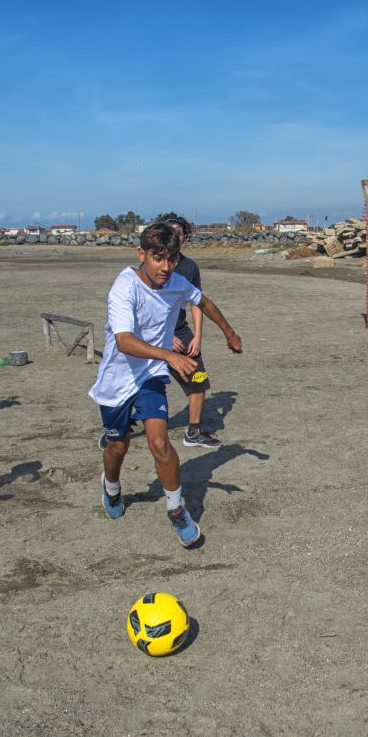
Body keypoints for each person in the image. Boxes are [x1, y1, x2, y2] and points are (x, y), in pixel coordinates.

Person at [89, 221, 243, 547]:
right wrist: (169, 356)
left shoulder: (177, 282)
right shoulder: (124, 286)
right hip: (117, 380)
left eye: (171, 259)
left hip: (151, 377)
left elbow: (205, 303)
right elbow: (124, 341)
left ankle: (175, 509)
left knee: (159, 443)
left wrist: (229, 333)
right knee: (118, 445)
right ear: (141, 254)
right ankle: (112, 487)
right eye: (158, 258)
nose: (165, 267)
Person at [160, 214, 223, 448]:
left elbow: (196, 302)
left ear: (185, 237)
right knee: (138, 387)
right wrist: (166, 337)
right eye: (171, 231)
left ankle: (194, 431)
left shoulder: (189, 267)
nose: (176, 235)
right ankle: (117, 430)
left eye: (180, 231)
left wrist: (197, 336)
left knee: (199, 379)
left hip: (181, 331)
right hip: (153, 335)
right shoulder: (152, 264)